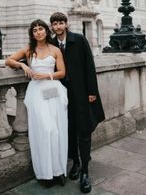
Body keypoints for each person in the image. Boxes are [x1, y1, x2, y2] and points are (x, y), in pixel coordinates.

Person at [6, 19, 68, 188]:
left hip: (53, 91)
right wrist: (22, 66)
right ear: (32, 34)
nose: (38, 32)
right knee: (44, 130)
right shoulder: (28, 49)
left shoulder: (55, 50)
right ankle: (44, 173)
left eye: (41, 29)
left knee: (56, 130)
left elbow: (62, 72)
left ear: (47, 31)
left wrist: (48, 76)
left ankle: (58, 171)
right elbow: (8, 60)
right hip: (36, 93)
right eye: (35, 30)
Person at [50, 12, 105, 194]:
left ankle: (85, 172)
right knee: (69, 129)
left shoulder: (79, 40)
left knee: (83, 130)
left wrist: (91, 92)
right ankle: (75, 162)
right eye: (54, 24)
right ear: (52, 27)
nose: (57, 27)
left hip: (81, 93)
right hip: (62, 95)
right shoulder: (51, 44)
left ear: (66, 25)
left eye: (60, 23)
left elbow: (89, 65)